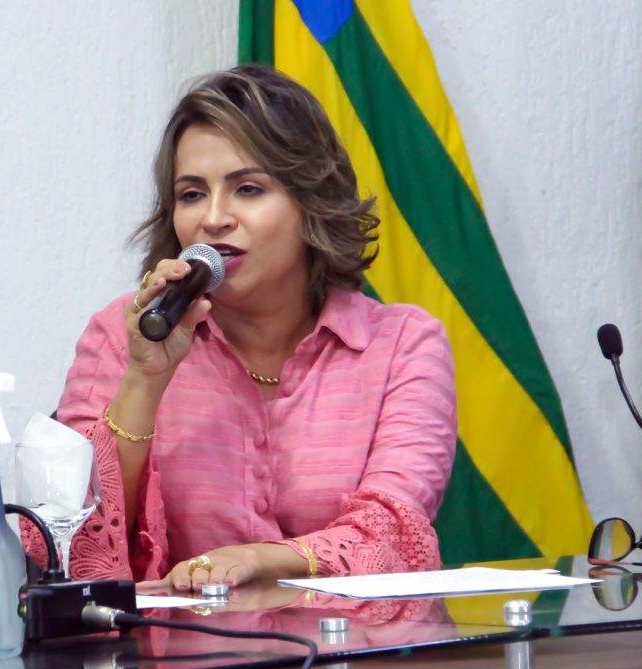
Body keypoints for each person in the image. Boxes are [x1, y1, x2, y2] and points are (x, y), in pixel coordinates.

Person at [22, 65, 457, 591]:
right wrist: (144, 377)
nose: (215, 217)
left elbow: (393, 533)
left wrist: (261, 560)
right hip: (175, 663)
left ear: (309, 202)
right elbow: (70, 550)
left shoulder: (403, 346)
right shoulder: (124, 335)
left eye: (248, 189)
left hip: (351, 661)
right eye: (191, 194)